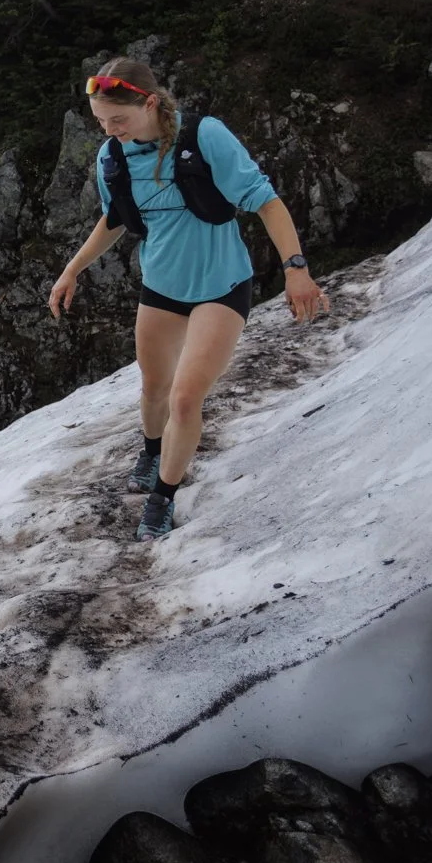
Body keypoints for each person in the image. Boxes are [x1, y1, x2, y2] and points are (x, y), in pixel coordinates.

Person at [47, 58, 329, 541]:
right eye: (101, 121)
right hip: (161, 288)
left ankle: (162, 497)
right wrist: (72, 270)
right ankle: (151, 449)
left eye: (118, 119)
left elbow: (265, 200)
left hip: (222, 287)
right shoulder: (112, 156)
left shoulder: (204, 136)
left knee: (183, 398)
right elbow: (116, 218)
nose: (109, 131)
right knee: (154, 388)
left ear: (149, 103)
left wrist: (296, 268)